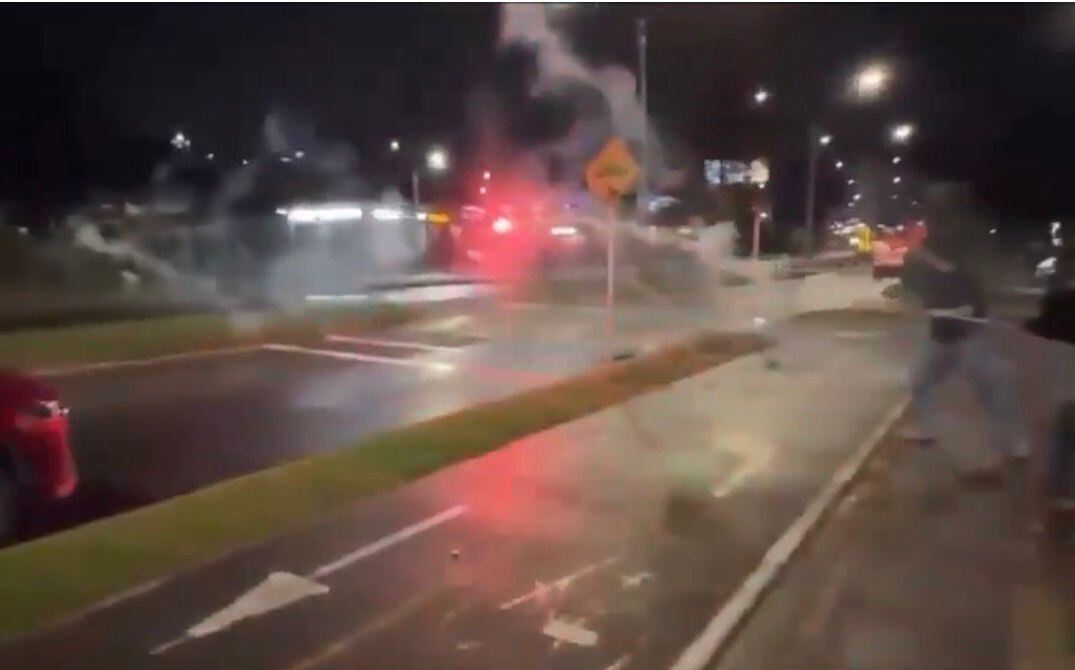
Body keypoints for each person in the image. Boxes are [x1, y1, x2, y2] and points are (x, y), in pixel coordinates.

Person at [899, 184, 1027, 481]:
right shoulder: (926, 253)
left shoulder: (963, 247)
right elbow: (916, 287)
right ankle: (928, 428)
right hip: (941, 336)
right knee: (921, 378)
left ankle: (1016, 444)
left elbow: (974, 284)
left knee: (993, 389)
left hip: (969, 337)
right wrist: (916, 301)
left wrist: (971, 309)